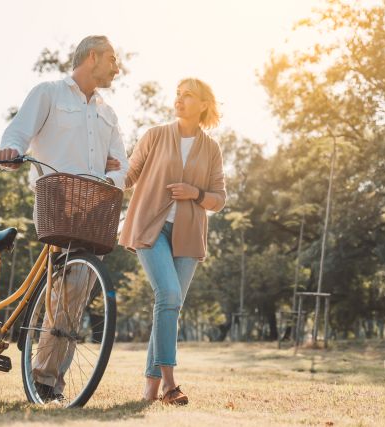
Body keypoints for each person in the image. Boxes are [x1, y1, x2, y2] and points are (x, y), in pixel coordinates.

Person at [0, 35, 128, 402]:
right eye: (112, 59)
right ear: (92, 57)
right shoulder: (49, 93)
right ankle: (45, 378)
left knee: (76, 290)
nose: (117, 68)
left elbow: (124, 165)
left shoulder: (108, 113)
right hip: (56, 203)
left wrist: (108, 176)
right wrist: (11, 150)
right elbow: (19, 130)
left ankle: (46, 379)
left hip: (94, 209)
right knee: (66, 289)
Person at [117, 78, 226, 405]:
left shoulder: (211, 149)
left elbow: (219, 199)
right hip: (151, 227)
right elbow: (129, 175)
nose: (179, 100)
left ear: (204, 104)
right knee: (168, 295)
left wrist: (197, 194)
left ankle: (150, 392)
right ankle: (169, 384)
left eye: (188, 96)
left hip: (189, 237)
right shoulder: (155, 135)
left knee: (170, 305)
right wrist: (103, 171)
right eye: (178, 95)